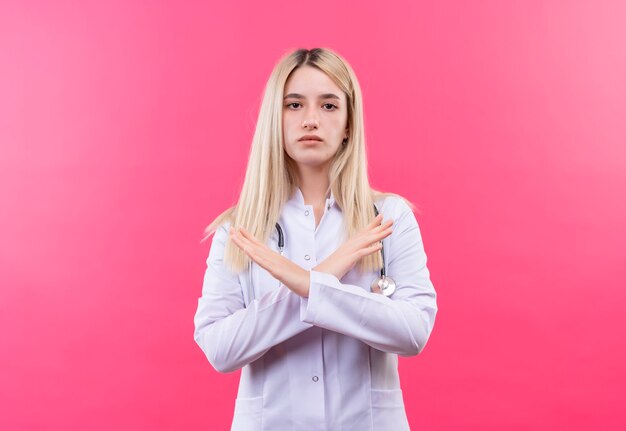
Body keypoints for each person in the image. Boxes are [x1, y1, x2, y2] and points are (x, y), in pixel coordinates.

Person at [193, 47, 437, 431]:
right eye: (294, 105)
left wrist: (308, 283)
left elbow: (412, 332)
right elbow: (221, 349)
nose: (310, 120)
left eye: (328, 106)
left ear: (348, 125)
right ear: (276, 119)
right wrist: (325, 276)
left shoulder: (388, 218)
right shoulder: (239, 229)